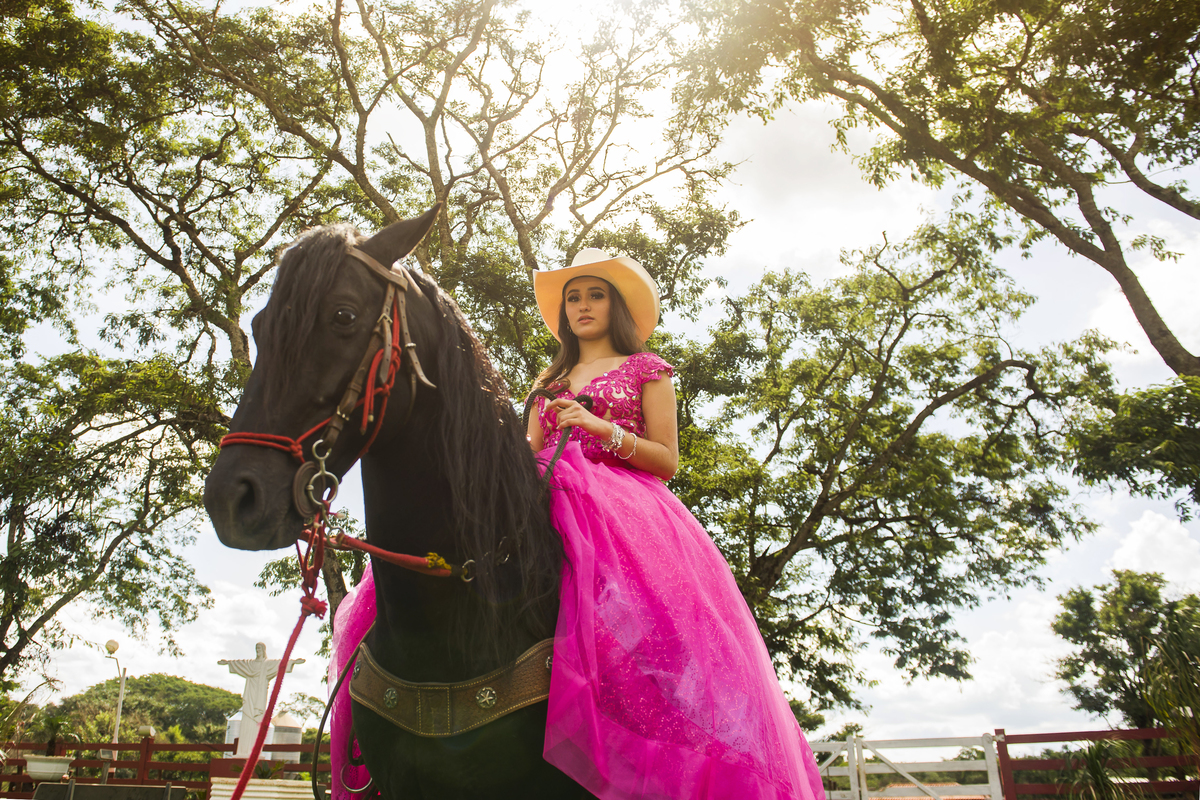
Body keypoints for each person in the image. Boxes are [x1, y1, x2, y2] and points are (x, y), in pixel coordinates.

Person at [527, 248, 827, 800]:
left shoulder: (648, 369)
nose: (582, 306)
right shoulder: (548, 381)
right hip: (546, 496)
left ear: (614, 307)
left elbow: (667, 460)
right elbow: (527, 454)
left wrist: (599, 427)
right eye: (573, 297)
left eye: (595, 295)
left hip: (623, 507)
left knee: (650, 639)